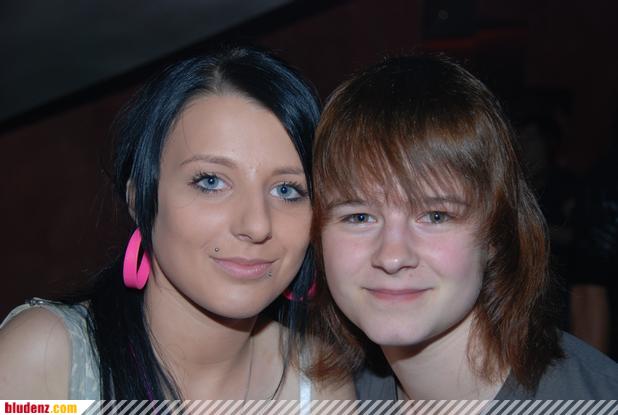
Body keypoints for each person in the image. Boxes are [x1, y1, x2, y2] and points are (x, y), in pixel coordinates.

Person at [0, 45, 354, 400]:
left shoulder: (318, 382)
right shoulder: (49, 359)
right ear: (140, 199)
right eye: (211, 181)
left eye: (286, 190)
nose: (257, 225)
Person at [308, 54, 618, 400]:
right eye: (359, 217)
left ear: (495, 234)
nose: (392, 257)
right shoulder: (326, 395)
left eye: (436, 216)